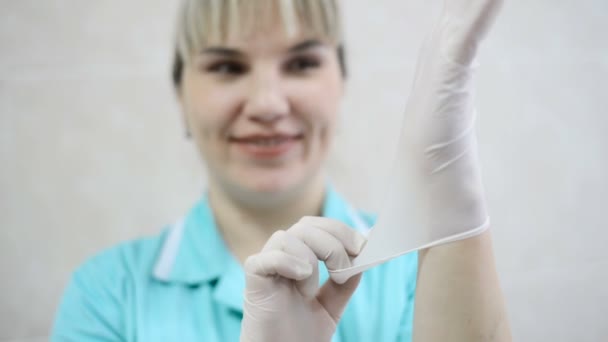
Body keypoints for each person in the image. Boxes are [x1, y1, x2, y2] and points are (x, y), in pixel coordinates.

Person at [52, 0, 511, 341]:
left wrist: (446, 176)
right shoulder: (107, 295)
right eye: (227, 67)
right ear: (180, 96)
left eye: (302, 63)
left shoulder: (416, 265)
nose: (268, 104)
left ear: (341, 80)